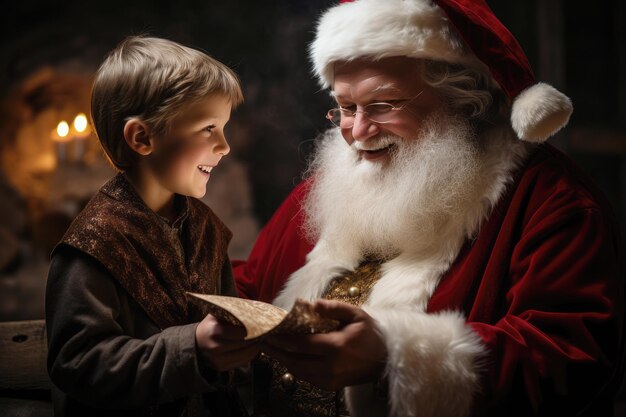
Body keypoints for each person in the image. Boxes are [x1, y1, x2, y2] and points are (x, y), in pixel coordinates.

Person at [233, 0, 626, 416]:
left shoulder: (552, 204)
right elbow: (257, 281)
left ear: (461, 101)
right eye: (346, 108)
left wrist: (395, 356)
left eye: (384, 105)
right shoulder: (335, 183)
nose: (358, 132)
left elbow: (570, 360)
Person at [45, 35, 259, 416]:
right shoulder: (94, 243)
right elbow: (79, 363)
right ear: (143, 138)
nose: (224, 145)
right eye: (209, 128)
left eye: (224, 128)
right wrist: (192, 348)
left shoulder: (207, 230)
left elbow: (228, 325)